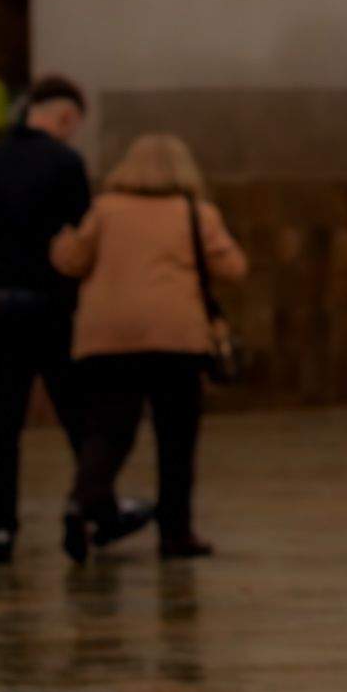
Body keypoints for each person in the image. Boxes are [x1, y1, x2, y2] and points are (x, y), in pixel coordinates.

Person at [51, 134, 247, 562]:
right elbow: (233, 267)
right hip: (176, 338)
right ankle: (176, 534)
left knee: (108, 430)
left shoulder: (106, 210)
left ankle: (81, 503)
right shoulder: (196, 213)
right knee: (176, 438)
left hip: (109, 338)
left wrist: (62, 238)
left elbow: (72, 261)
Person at [0, 71, 98, 563]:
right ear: (64, 117)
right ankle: (88, 507)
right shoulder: (66, 163)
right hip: (51, 305)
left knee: (5, 424)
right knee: (75, 415)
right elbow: (81, 240)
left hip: (2, 305)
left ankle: (1, 528)